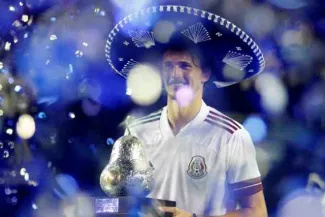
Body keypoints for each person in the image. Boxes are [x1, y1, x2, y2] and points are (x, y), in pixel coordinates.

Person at [106, 4, 267, 217]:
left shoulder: (231, 135)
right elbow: (113, 205)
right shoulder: (137, 132)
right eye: (168, 66)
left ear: (205, 74)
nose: (175, 74)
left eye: (185, 66)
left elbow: (257, 211)